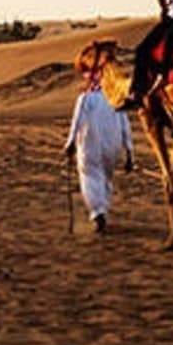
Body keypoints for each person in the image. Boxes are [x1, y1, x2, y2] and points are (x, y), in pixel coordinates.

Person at [65, 76, 135, 233]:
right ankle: (102, 209)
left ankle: (98, 213)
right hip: (112, 146)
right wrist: (129, 151)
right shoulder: (115, 100)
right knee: (106, 178)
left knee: (89, 176)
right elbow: (126, 126)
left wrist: (70, 144)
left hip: (90, 145)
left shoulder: (84, 99)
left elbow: (77, 122)